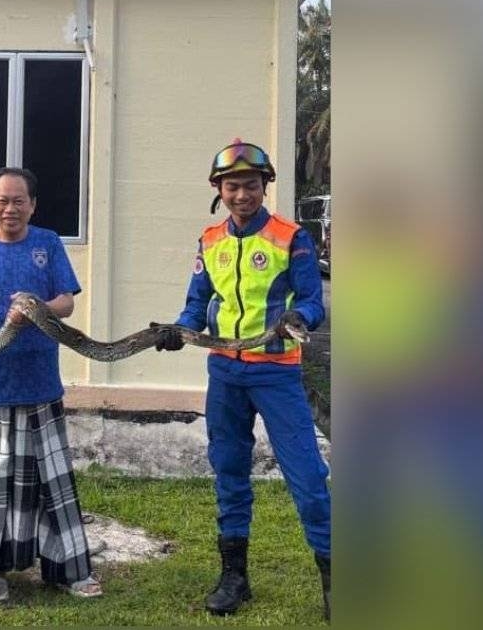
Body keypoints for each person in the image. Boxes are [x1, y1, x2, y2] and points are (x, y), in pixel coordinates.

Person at [154, 140, 331, 619]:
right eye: (232, 186)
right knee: (230, 473)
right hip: (226, 373)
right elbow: (197, 302)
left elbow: (314, 302)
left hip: (275, 372)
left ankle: (335, 575)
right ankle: (234, 576)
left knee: (309, 478)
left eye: (251, 186)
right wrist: (179, 328)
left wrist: (300, 314)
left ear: (264, 187)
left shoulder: (291, 237)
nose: (242, 195)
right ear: (219, 189)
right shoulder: (209, 240)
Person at [0, 167, 102, 601]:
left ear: (33, 205)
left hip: (41, 379)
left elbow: (66, 301)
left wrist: (38, 307)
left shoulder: (47, 243)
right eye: (2, 200)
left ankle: (69, 571)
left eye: (19, 200)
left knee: (53, 479)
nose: (11, 208)